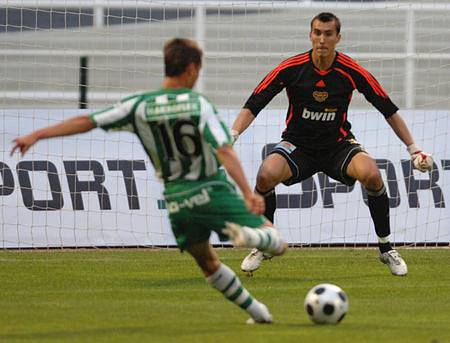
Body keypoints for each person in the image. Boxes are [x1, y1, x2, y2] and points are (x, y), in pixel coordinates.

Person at [11, 38, 287, 324]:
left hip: (178, 200)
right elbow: (224, 149)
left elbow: (88, 121)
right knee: (277, 244)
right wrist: (246, 192)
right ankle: (252, 238)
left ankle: (259, 314)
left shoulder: (140, 106)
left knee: (208, 263)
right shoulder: (197, 104)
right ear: (192, 69)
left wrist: (38, 134)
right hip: (212, 189)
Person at [231, 12, 433, 277]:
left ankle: (386, 248)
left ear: (338, 37)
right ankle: (265, 244)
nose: (322, 39)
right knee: (265, 175)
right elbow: (254, 103)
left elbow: (388, 109)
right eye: (317, 32)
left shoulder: (351, 71)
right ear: (310, 35)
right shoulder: (291, 68)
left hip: (338, 145)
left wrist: (413, 149)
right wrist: (232, 135)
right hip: (298, 145)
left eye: (328, 34)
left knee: (372, 175)